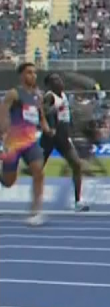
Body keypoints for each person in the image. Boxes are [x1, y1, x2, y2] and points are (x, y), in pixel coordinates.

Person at [1, 62, 53, 226]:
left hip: (31, 142)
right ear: (22, 75)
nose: (33, 76)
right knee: (8, 182)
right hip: (13, 142)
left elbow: (41, 117)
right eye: (30, 72)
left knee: (39, 172)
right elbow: (3, 113)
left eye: (35, 73)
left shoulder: (37, 96)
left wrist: (47, 130)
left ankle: (35, 212)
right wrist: (3, 133)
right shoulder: (14, 94)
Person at [40, 73, 88, 211]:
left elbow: (66, 115)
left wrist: (71, 130)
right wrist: (51, 121)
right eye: (55, 80)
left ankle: (78, 201)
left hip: (63, 137)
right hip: (50, 136)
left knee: (77, 164)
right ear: (49, 84)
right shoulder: (50, 96)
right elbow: (43, 112)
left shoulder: (64, 95)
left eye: (59, 78)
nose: (59, 81)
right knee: (36, 169)